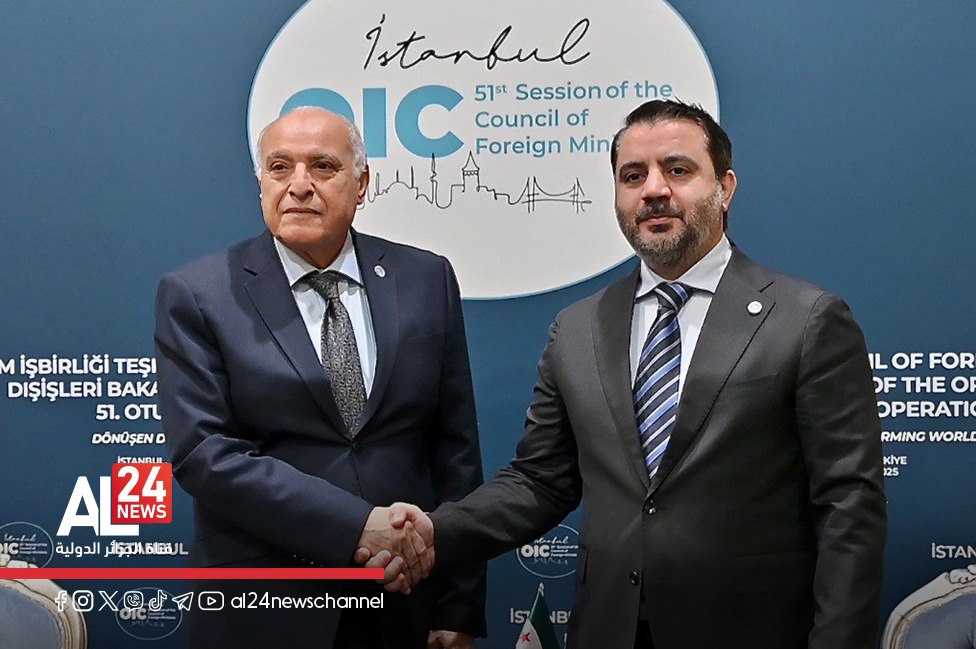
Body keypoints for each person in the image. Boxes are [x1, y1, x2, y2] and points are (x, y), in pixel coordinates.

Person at [369, 99, 887, 649]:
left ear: (726, 188)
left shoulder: (805, 319)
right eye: (633, 176)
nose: (654, 190)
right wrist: (434, 531)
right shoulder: (578, 328)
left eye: (678, 170)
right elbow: (541, 481)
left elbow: (849, 505)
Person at [154, 106, 485, 649]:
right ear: (261, 183)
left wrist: (459, 605)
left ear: (362, 183)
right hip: (265, 609)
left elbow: (456, 451)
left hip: (403, 603)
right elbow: (205, 454)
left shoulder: (426, 278)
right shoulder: (199, 294)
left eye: (323, 166)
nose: (299, 185)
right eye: (280, 167)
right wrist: (357, 525)